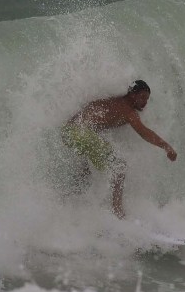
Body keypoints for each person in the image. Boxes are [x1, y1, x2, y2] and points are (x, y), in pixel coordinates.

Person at [61, 80, 177, 219]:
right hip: (81, 132)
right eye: (142, 98)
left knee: (86, 169)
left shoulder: (113, 101)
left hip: (68, 131)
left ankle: (68, 203)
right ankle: (118, 212)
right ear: (133, 95)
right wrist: (166, 147)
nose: (145, 103)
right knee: (119, 167)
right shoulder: (128, 111)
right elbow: (144, 132)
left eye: (147, 99)